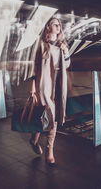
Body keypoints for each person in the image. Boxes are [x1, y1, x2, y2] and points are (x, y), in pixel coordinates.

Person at [29, 17, 70, 165]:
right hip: (44, 83)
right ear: (48, 27)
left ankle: (49, 148)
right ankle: (35, 138)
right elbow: (35, 66)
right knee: (46, 113)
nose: (58, 27)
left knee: (56, 114)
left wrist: (66, 52)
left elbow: (67, 65)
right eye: (55, 24)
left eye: (59, 24)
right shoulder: (41, 45)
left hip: (59, 82)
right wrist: (32, 86)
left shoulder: (62, 44)